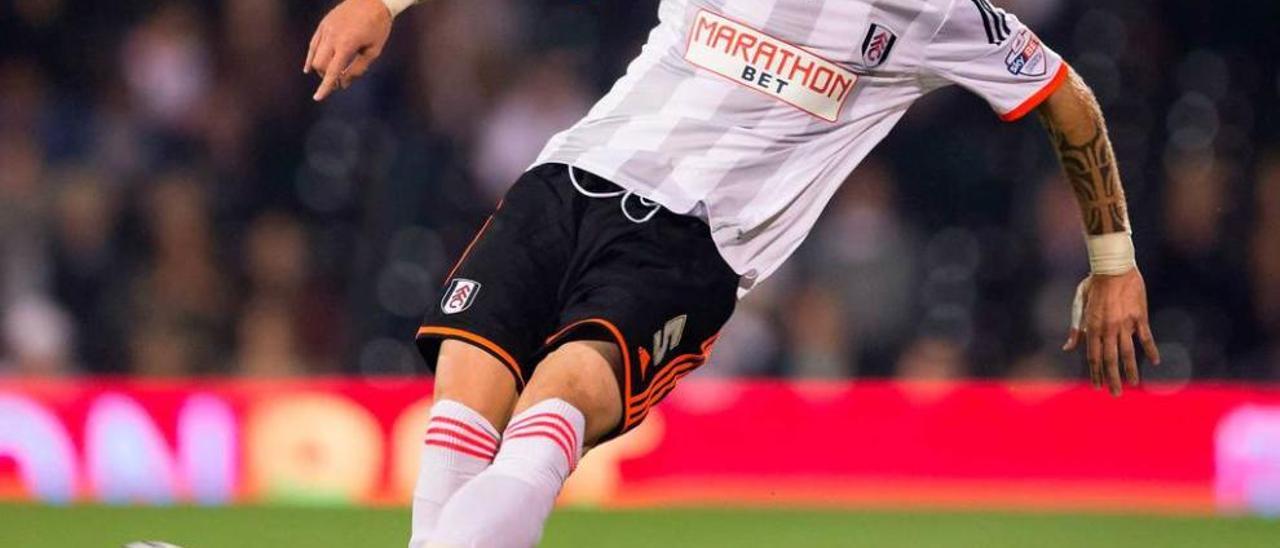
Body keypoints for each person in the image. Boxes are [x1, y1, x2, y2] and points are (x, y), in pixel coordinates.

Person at [303, 0, 1162, 546]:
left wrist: (1114, 260)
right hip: (565, 181)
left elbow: (1066, 97)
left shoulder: (939, 13)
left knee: (553, 406)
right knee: (461, 399)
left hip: (690, 244)